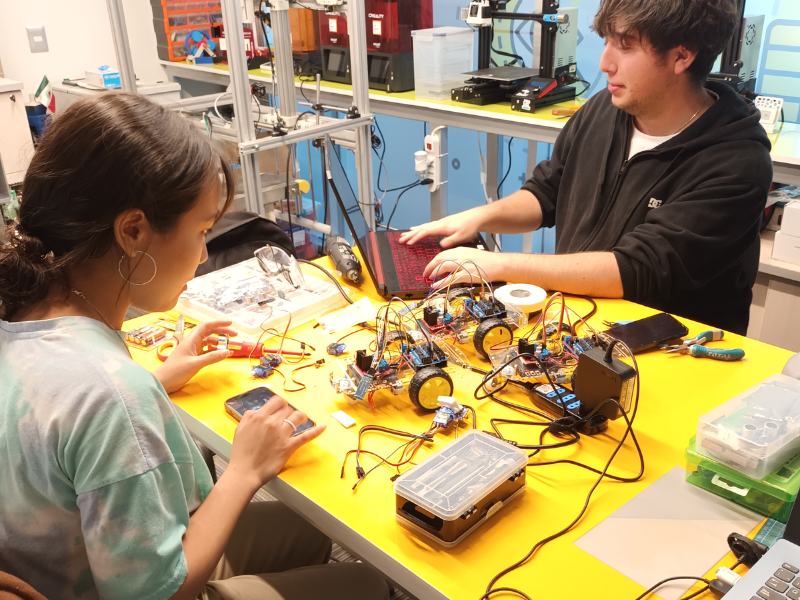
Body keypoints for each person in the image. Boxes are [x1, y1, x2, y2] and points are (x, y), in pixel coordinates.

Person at [0, 93, 389, 600]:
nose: (205, 252)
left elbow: (54, 422)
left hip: (60, 564)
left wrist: (156, 382)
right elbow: (157, 594)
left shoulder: (21, 314)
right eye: (203, 230)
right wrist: (244, 471)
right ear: (133, 230)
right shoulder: (111, 394)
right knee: (365, 581)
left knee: (311, 528)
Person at [400, 0, 773, 335]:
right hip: (577, 331)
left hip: (667, 356)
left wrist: (495, 264)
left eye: (625, 46)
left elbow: (634, 270)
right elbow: (549, 194)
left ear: (682, 56)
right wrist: (477, 219)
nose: (604, 63)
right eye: (607, 41)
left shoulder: (736, 162)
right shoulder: (605, 109)